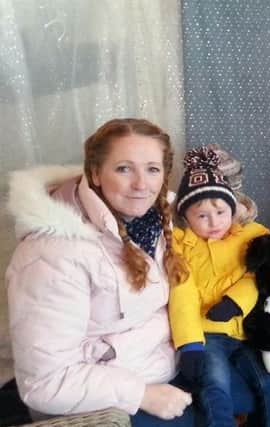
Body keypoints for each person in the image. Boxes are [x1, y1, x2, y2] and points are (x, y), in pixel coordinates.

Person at [5, 118, 197, 425]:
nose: (141, 184)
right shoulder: (52, 254)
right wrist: (142, 395)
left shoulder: (153, 223)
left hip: (165, 366)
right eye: (124, 168)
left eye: (152, 169)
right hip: (101, 403)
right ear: (95, 173)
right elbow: (45, 382)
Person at [169, 145, 270, 427]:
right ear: (186, 217)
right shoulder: (180, 244)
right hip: (207, 334)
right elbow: (182, 294)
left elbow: (259, 275)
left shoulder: (253, 236)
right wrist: (189, 344)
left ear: (234, 208)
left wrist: (235, 301)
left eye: (221, 212)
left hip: (249, 330)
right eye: (201, 216)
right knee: (215, 385)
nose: (214, 222)